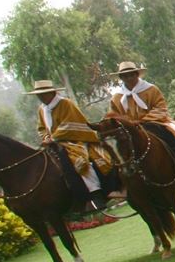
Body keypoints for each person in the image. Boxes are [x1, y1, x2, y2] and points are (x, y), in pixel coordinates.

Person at [106, 61, 175, 184]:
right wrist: (128, 125)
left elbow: (160, 107)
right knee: (116, 150)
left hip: (155, 123)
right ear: (121, 78)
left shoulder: (151, 89)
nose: (129, 78)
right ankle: (120, 185)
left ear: (137, 74)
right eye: (125, 76)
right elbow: (114, 117)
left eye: (132, 74)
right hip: (130, 131)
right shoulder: (116, 98)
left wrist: (143, 121)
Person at [26, 79, 120, 212]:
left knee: (80, 161)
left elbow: (71, 124)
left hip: (75, 140)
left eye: (43, 93)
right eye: (38, 94)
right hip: (53, 143)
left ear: (52, 92)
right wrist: (46, 137)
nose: (41, 97)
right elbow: (41, 127)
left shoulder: (65, 103)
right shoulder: (42, 109)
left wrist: (53, 137)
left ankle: (96, 194)